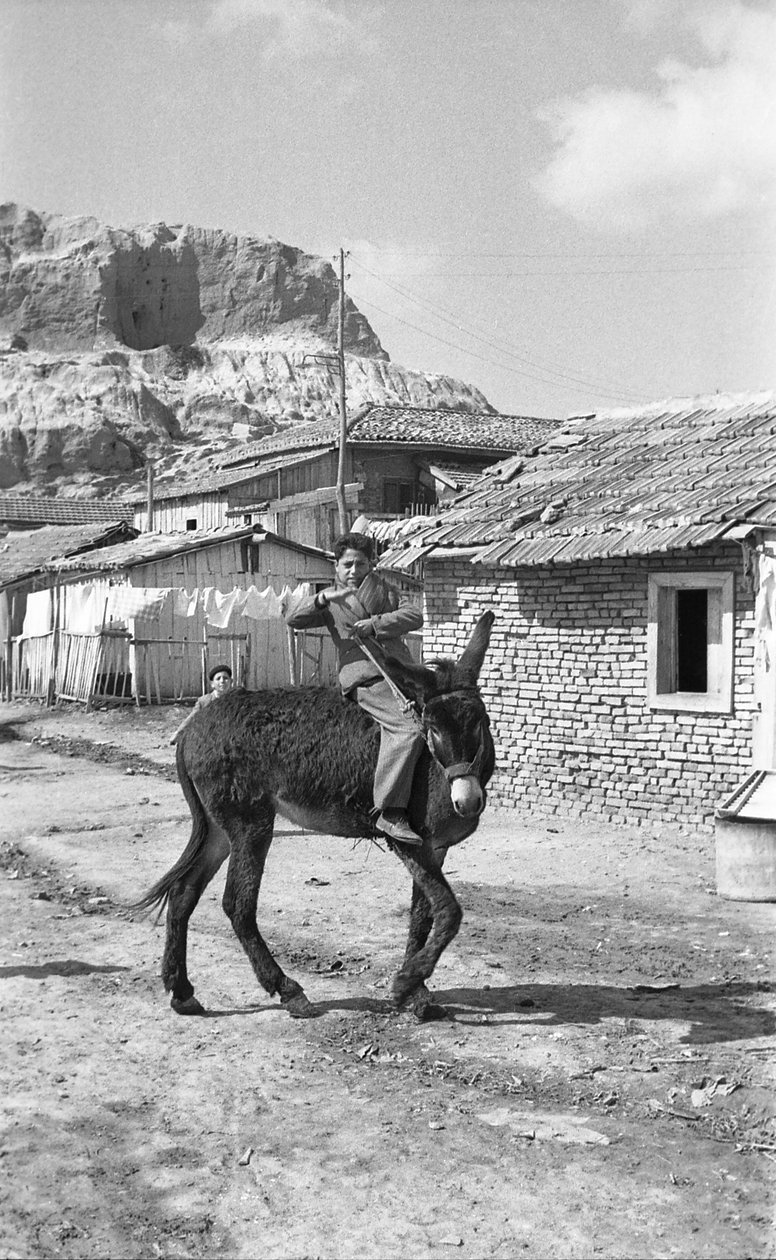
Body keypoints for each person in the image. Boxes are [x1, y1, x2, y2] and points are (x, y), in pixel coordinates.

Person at [285, 532, 425, 845]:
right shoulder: (331, 599)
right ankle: (390, 811)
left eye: (360, 564)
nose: (353, 570)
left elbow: (415, 615)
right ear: (336, 566)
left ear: (371, 564)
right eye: (347, 564)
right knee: (408, 728)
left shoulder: (385, 591)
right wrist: (320, 599)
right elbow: (292, 619)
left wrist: (376, 623)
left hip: (400, 671)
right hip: (365, 676)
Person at [170, 664, 233, 744]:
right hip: (209, 739)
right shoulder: (204, 702)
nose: (222, 681)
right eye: (218, 679)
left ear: (231, 681)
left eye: (225, 678)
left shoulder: (236, 701)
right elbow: (192, 718)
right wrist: (178, 733)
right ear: (212, 684)